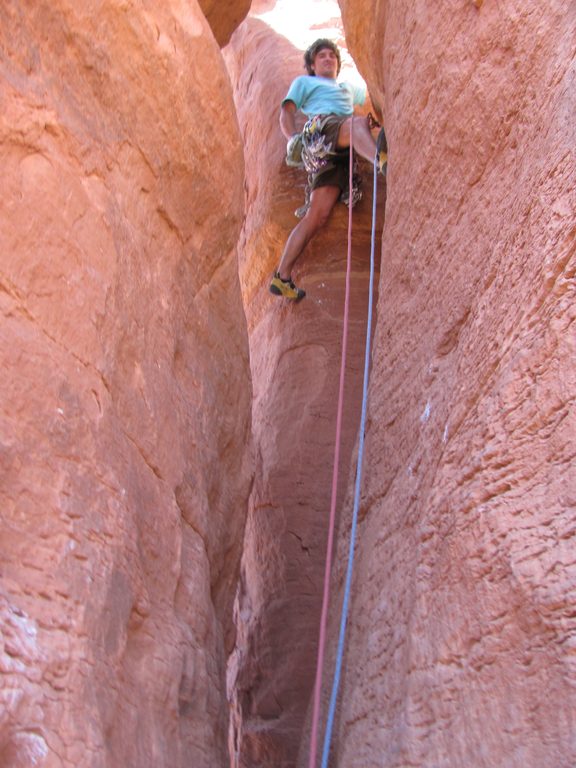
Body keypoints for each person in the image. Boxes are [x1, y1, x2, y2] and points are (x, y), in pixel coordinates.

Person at [270, 38, 387, 301]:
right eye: (321, 56)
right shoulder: (305, 83)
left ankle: (282, 276)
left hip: (341, 146)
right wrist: (292, 139)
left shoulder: (348, 88)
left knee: (318, 215)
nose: (327, 59)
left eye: (332, 56)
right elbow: (286, 112)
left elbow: (373, 95)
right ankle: (383, 163)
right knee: (357, 126)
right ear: (312, 64)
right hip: (322, 130)